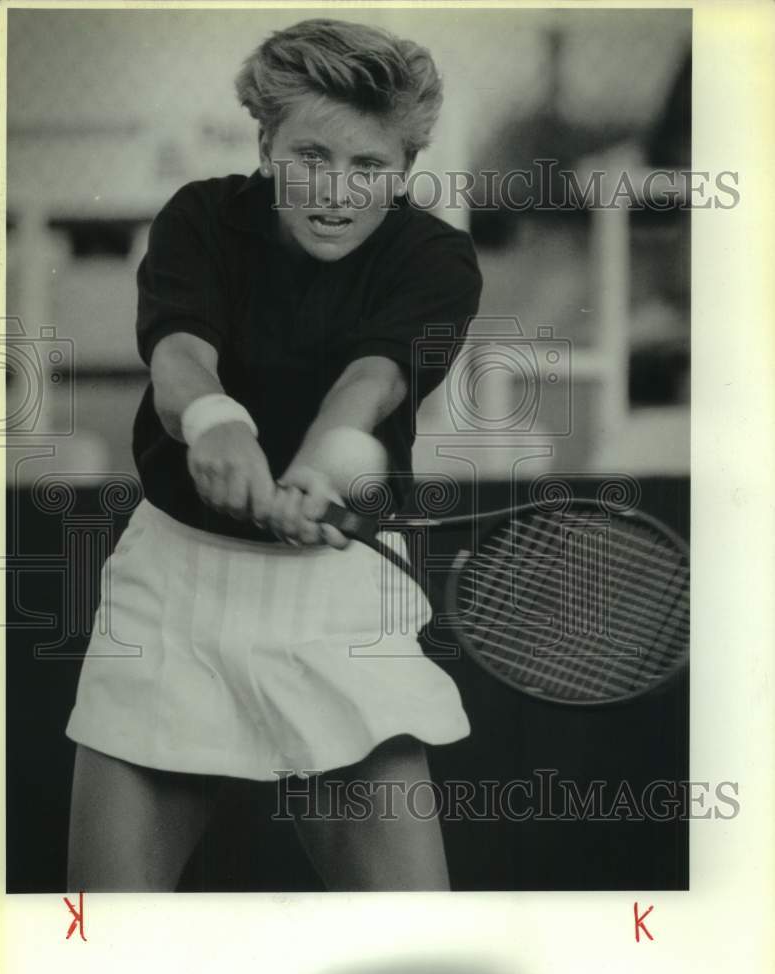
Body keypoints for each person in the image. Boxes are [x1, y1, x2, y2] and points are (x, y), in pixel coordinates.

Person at [65, 17, 482, 892]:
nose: (336, 191)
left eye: (369, 167)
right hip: (171, 597)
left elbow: (375, 376)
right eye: (311, 156)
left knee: (415, 944)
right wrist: (216, 423)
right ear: (265, 144)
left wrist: (329, 455)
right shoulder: (203, 219)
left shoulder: (434, 256)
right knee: (101, 940)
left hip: (340, 602)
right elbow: (180, 350)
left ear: (404, 170)